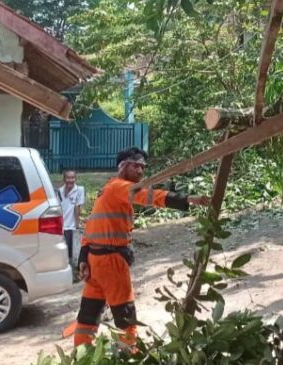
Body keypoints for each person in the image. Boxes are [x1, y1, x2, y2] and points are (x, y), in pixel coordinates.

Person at [72, 147, 209, 347]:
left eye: (143, 167)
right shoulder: (120, 187)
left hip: (95, 263)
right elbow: (148, 196)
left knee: (88, 315)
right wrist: (187, 199)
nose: (140, 171)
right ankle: (130, 357)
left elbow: (92, 226)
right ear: (124, 165)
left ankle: (80, 355)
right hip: (111, 263)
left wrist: (83, 257)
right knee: (126, 316)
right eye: (136, 166)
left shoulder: (107, 189)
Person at [58, 170, 85, 267]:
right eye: (68, 178)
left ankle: (72, 268)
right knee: (62, 250)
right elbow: (59, 208)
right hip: (61, 225)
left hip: (72, 225)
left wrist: (77, 225)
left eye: (72, 178)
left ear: (76, 179)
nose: (70, 180)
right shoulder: (60, 191)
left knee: (71, 250)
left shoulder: (79, 190)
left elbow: (77, 208)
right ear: (64, 179)